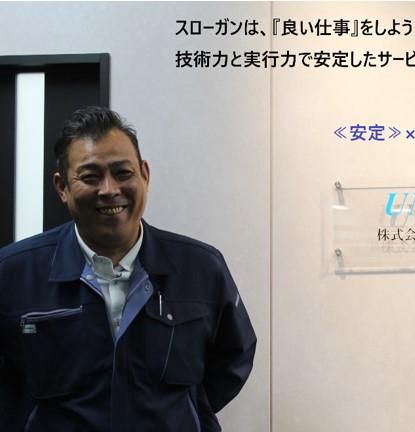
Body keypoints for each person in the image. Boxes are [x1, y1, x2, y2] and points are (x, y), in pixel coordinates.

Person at [0, 107, 257, 431]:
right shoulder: (12, 273)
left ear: (144, 175)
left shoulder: (201, 268)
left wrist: (183, 412)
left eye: (123, 173)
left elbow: (233, 357)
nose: (109, 189)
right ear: (62, 186)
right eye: (90, 177)